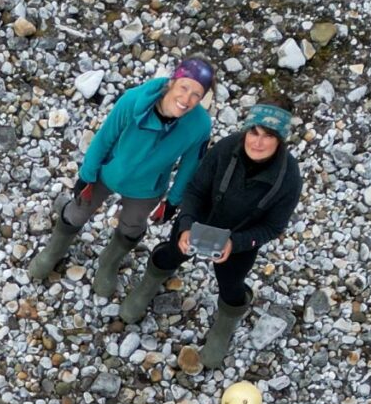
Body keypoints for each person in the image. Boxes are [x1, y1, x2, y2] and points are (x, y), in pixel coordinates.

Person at [127, 104, 305, 366]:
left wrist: (237, 243)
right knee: (171, 254)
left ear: (280, 140)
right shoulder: (226, 148)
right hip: (201, 221)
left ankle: (224, 327)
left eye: (268, 136)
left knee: (232, 284)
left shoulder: (288, 177)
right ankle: (148, 286)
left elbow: (273, 227)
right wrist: (187, 224)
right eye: (253, 132)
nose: (257, 142)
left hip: (241, 237)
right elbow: (196, 189)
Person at [27, 61, 215, 302]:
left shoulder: (200, 125)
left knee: (132, 227)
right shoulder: (134, 100)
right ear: (172, 82)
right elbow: (105, 137)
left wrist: (173, 200)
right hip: (109, 172)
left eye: (196, 94)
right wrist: (86, 175)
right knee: (77, 213)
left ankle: (109, 262)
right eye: (184, 87)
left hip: (146, 188)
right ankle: (54, 251)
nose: (187, 99)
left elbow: (190, 166)